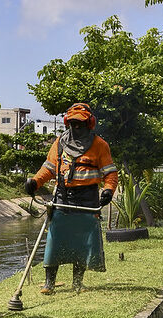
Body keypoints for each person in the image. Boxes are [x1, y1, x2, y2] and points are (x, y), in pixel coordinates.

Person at [24, 103, 118, 293]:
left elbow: (110, 173)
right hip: (63, 199)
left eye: (80, 124)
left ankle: (77, 282)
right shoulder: (59, 143)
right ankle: (49, 283)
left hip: (88, 199)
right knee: (55, 239)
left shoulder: (100, 145)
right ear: (68, 123)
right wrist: (35, 182)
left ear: (89, 124)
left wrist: (108, 190)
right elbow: (49, 169)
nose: (76, 128)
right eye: (73, 124)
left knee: (82, 242)